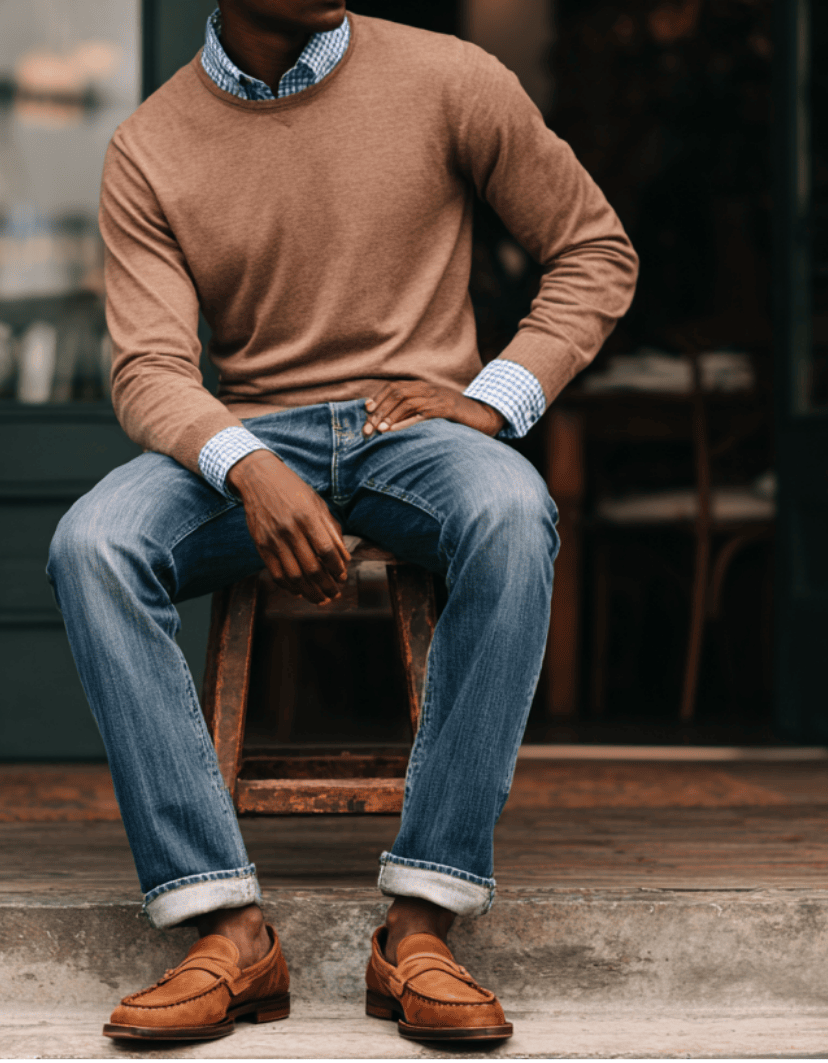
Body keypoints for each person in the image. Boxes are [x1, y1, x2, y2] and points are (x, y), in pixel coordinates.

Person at [46, 0, 636, 1043]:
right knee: (93, 543)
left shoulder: (452, 79)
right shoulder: (149, 146)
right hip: (248, 438)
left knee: (511, 510)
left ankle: (422, 923)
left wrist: (495, 398)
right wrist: (247, 462)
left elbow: (593, 249)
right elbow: (148, 370)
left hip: (415, 428)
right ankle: (223, 927)